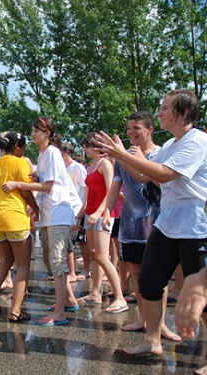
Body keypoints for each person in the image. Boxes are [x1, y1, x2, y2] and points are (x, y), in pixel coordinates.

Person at [97, 89, 207, 362]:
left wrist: (122, 154)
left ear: (181, 112)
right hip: (166, 226)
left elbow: (165, 175)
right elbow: (145, 175)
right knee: (148, 282)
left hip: (195, 229)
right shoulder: (170, 145)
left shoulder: (197, 142)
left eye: (165, 108)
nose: (160, 113)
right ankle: (153, 341)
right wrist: (121, 157)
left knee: (201, 296)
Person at [101, 111, 180, 340]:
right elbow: (115, 188)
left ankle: (161, 324)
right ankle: (143, 318)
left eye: (136, 128)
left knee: (158, 276)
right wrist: (107, 211)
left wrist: (132, 159)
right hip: (130, 225)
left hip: (158, 224)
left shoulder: (161, 153)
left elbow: (155, 179)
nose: (131, 133)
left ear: (149, 130)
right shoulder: (122, 157)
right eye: (128, 129)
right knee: (136, 273)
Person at [2, 116, 81, 325]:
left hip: (58, 212)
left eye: (37, 130)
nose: (33, 133)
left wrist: (18, 184)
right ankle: (70, 301)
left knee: (56, 261)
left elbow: (49, 186)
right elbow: (42, 182)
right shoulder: (43, 153)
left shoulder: (54, 152)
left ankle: (60, 313)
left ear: (48, 133)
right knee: (49, 260)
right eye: (33, 130)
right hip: (48, 213)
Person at [0, 131, 39, 322]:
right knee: (22, 264)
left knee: (5, 259)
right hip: (14, 217)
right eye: (23, 146)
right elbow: (25, 192)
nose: (24, 150)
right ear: (17, 146)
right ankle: (16, 310)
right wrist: (36, 209)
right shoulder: (20, 162)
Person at [76, 132, 128, 314]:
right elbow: (89, 193)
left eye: (87, 147)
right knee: (94, 254)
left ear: (95, 146)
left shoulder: (106, 164)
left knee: (103, 256)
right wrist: (80, 214)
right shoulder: (91, 167)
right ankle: (95, 293)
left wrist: (100, 212)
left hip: (103, 214)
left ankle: (120, 297)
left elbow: (111, 190)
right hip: (90, 213)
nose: (85, 150)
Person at [61, 142, 90, 280]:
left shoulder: (77, 167)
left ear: (67, 152)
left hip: (79, 208)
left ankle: (85, 269)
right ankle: (69, 271)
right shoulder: (61, 168)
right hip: (66, 209)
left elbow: (86, 187)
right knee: (69, 241)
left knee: (82, 241)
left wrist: (83, 209)